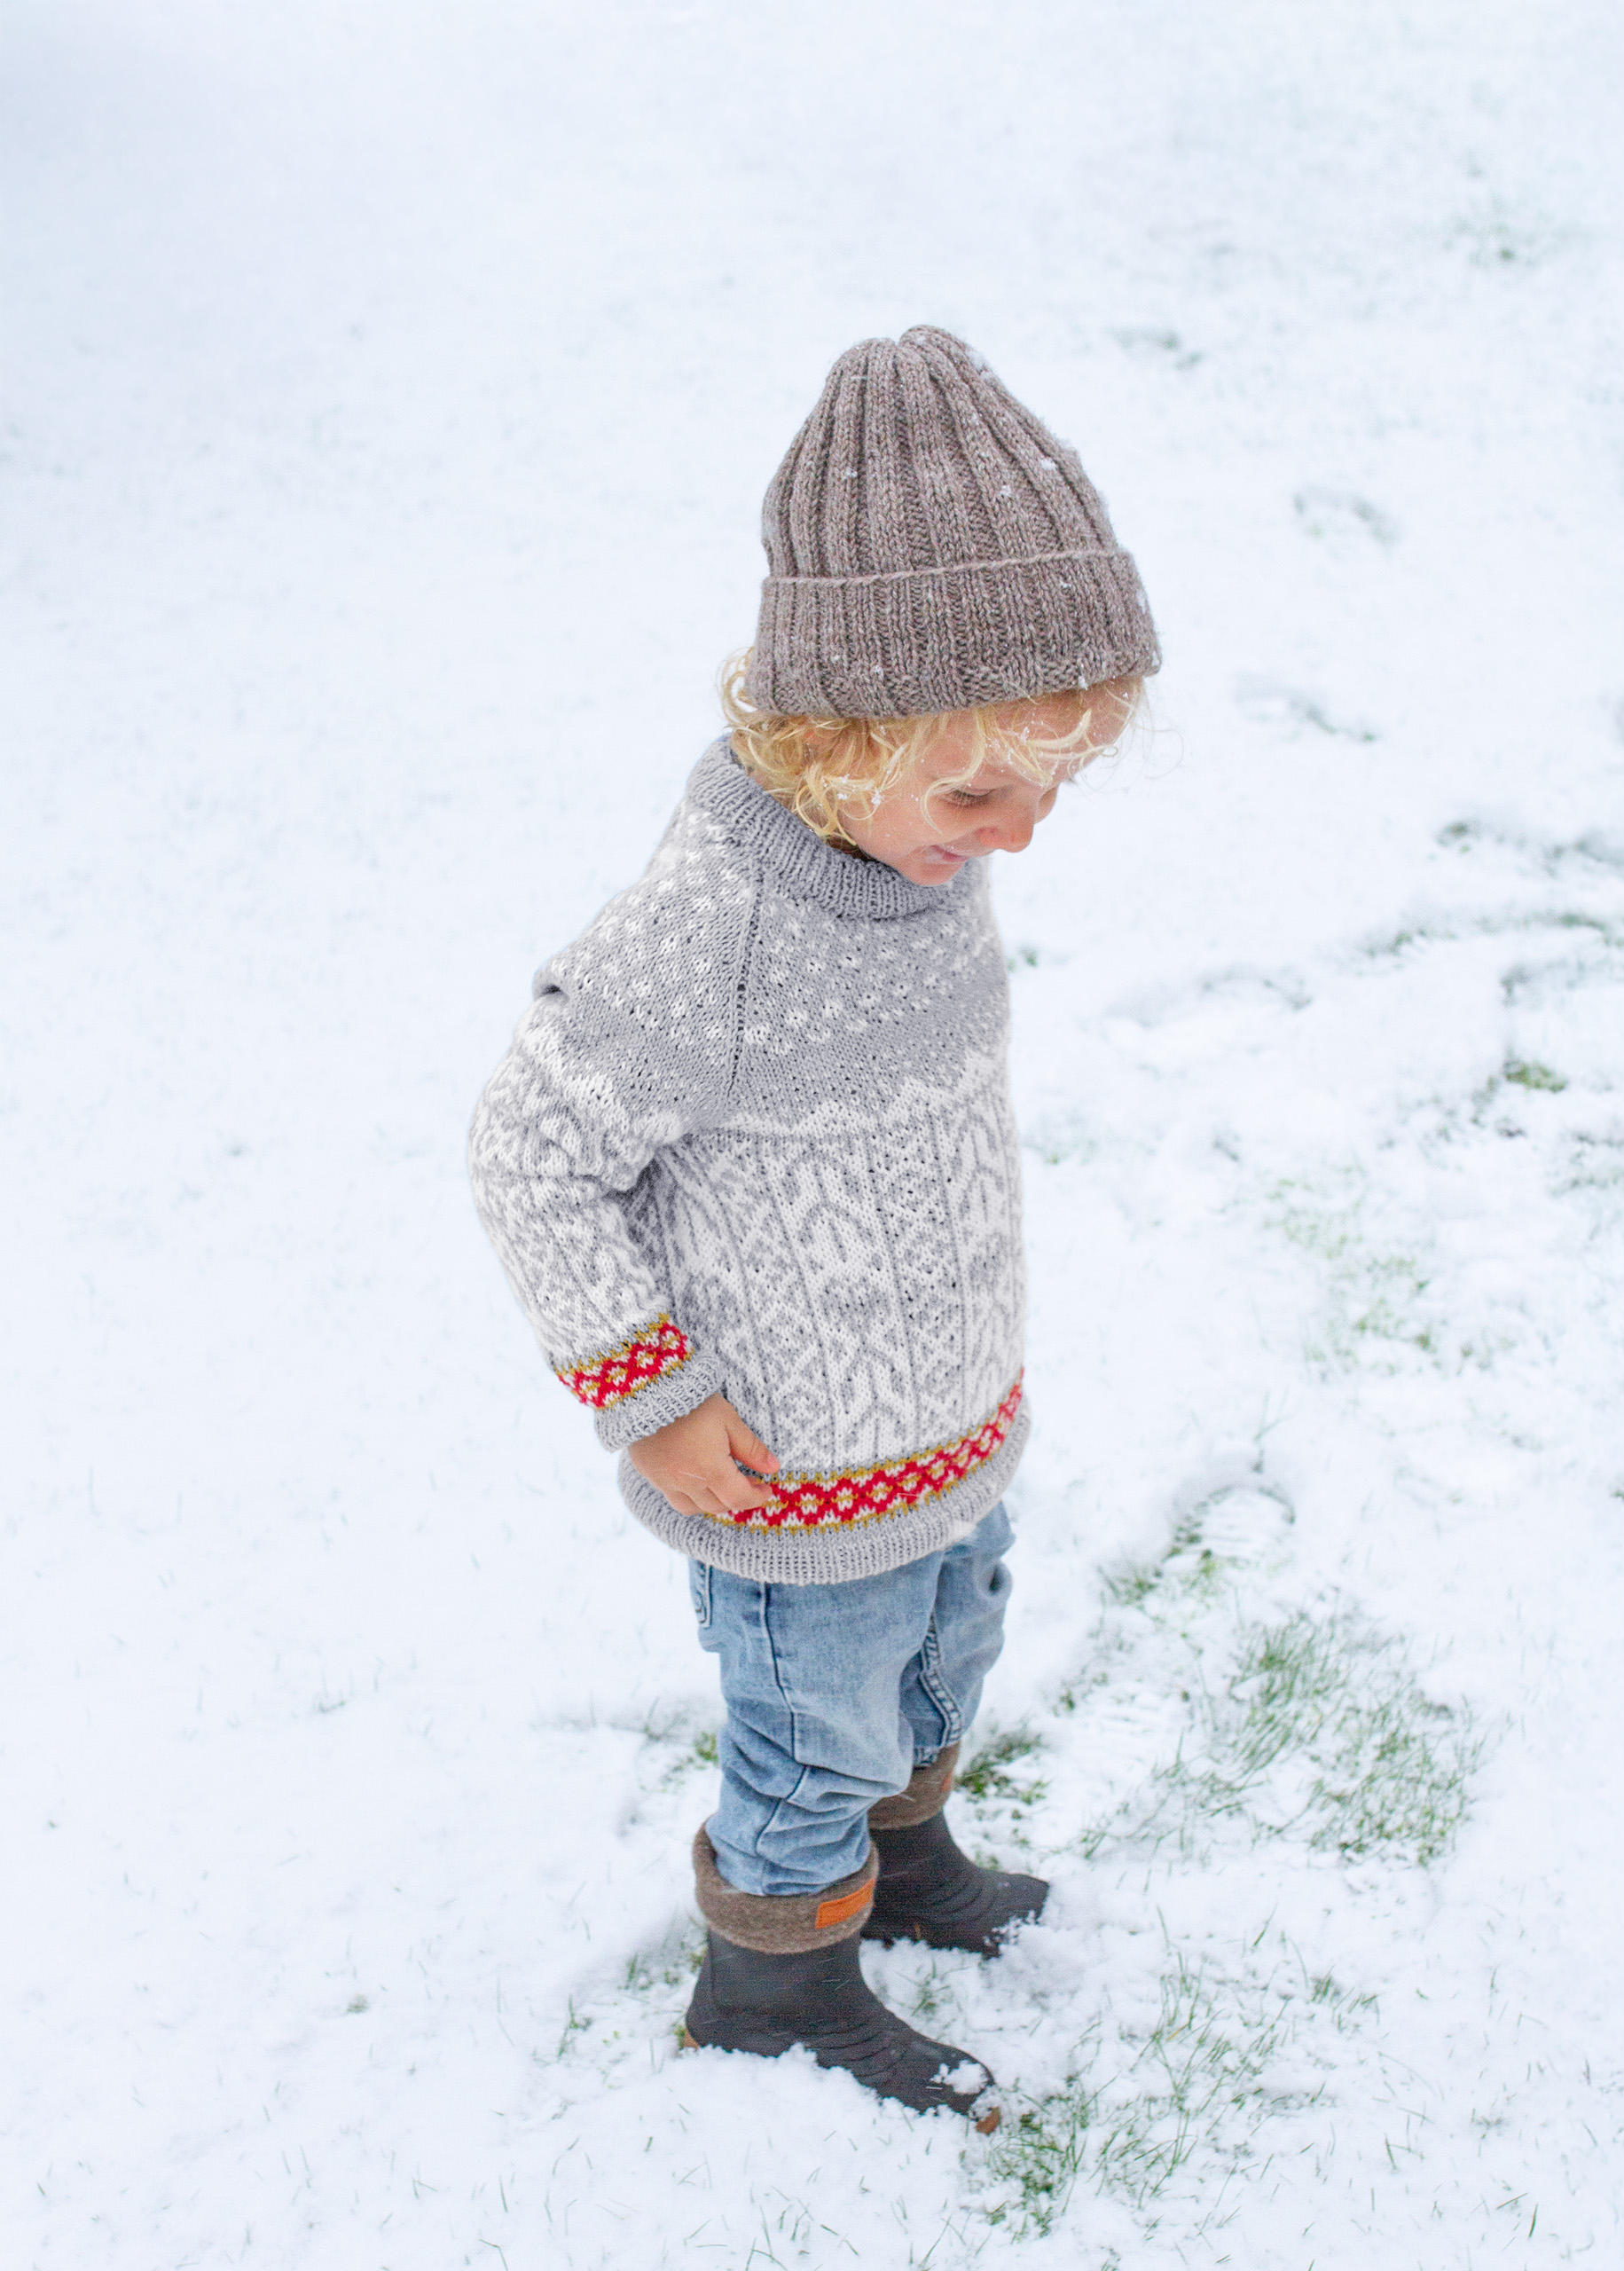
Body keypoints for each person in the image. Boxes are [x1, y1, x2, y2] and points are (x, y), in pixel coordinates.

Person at [469, 326, 1160, 2126]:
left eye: (1050, 791)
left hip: (942, 1430)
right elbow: (532, 1149)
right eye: (980, 790)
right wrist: (654, 1391)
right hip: (786, 1471)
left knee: (945, 1663)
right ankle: (775, 1977)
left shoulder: (912, 863)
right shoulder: (711, 921)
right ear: (833, 736)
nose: (1019, 834)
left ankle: (907, 1863)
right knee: (811, 1732)